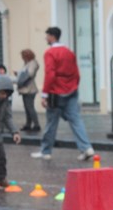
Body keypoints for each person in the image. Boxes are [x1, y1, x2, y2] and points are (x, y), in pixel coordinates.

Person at [31, 27, 94, 161]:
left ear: (52, 37)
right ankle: (86, 147)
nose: (46, 38)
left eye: (47, 36)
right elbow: (76, 73)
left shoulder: (50, 53)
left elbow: (50, 74)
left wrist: (44, 94)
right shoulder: (69, 52)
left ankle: (46, 151)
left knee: (51, 123)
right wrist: (74, 86)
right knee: (76, 120)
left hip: (55, 92)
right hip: (71, 90)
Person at [16, 49, 41, 132]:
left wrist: (22, 76)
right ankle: (28, 124)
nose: (22, 58)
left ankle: (36, 125)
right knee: (27, 108)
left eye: (23, 56)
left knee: (30, 107)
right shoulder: (27, 63)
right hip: (26, 89)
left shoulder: (32, 63)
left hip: (29, 89)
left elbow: (30, 73)